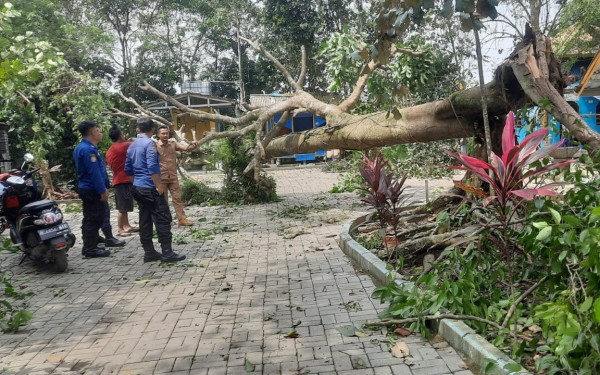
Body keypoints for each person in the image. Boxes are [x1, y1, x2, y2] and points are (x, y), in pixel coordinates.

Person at [125, 118, 186, 263]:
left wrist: (136, 184)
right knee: (162, 218)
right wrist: (158, 186)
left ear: (139, 129)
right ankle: (167, 253)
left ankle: (149, 252)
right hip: (150, 186)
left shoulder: (131, 146)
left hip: (137, 187)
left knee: (145, 219)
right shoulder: (150, 144)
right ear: (152, 130)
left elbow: (128, 169)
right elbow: (152, 166)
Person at [73, 120, 112, 258]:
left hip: (88, 188)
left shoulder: (84, 147)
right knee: (94, 218)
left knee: (89, 216)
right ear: (92, 132)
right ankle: (90, 249)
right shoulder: (88, 149)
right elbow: (93, 172)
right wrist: (102, 190)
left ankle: (91, 243)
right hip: (92, 189)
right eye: (98, 130)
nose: (100, 133)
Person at [156, 125, 200, 226]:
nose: (165, 135)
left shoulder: (173, 144)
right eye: (163, 133)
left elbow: (185, 148)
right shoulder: (155, 146)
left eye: (167, 133)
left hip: (173, 177)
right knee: (163, 201)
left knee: (177, 199)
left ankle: (182, 219)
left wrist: (193, 145)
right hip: (161, 178)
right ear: (158, 135)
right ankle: (165, 220)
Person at [106, 125, 138, 236]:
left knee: (124, 204)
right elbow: (138, 144)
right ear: (120, 135)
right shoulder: (123, 146)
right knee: (122, 207)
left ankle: (127, 225)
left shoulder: (111, 149)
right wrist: (133, 139)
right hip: (123, 180)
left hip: (118, 179)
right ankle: (120, 229)